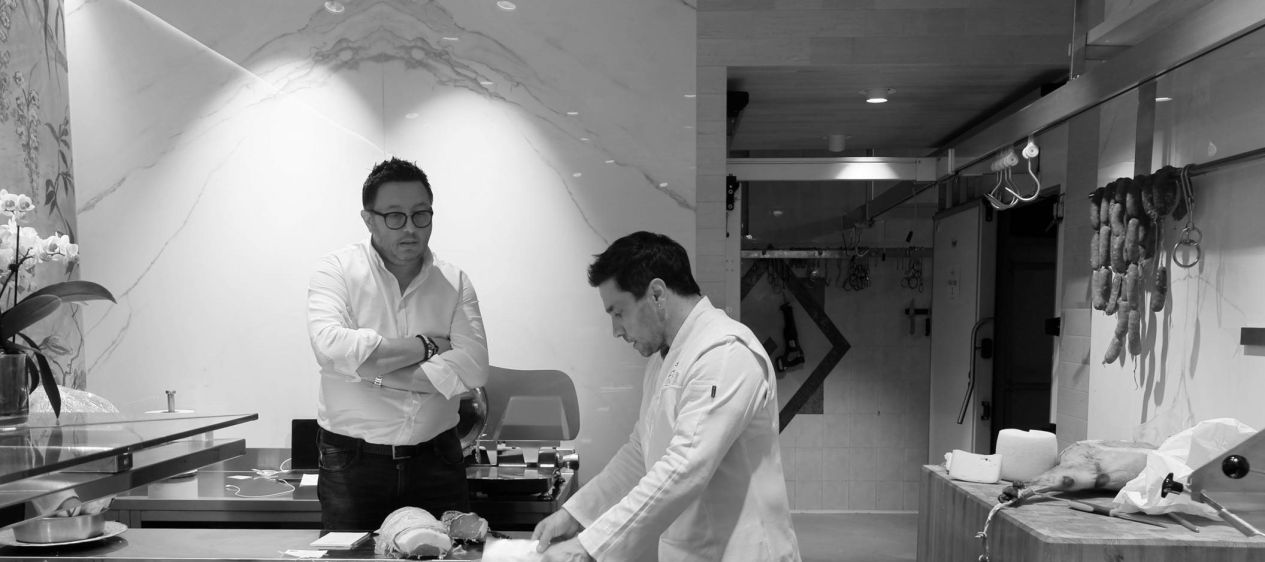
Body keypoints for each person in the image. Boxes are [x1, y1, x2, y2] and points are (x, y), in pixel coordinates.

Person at [533, 231, 800, 561]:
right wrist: (577, 514)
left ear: (657, 294)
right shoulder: (664, 359)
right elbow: (640, 453)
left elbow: (684, 467)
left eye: (618, 313)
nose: (616, 330)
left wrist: (590, 547)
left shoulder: (725, 352)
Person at [306, 157, 488, 531]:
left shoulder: (454, 281)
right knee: (348, 558)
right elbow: (331, 347)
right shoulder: (336, 270)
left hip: (438, 459)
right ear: (368, 219)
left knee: (450, 555)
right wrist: (427, 346)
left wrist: (371, 372)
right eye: (394, 216)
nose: (410, 228)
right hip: (352, 464)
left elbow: (473, 367)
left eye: (421, 215)